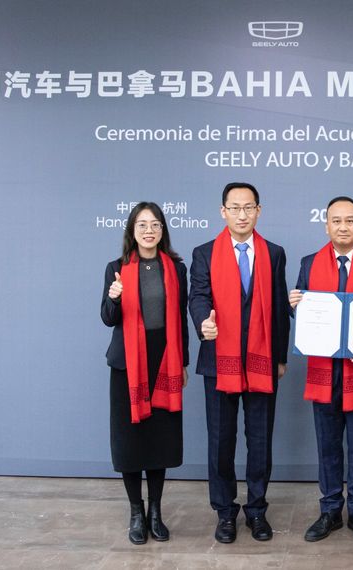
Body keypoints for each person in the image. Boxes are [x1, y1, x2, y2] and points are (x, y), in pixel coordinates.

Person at [289, 196, 353, 544]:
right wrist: (295, 308)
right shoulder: (308, 263)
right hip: (323, 368)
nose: (343, 227)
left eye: (350, 221)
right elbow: (303, 315)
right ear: (327, 225)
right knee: (328, 443)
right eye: (337, 221)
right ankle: (331, 509)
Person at [189, 182, 290, 543]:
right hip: (219, 360)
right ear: (223, 212)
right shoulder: (204, 253)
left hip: (263, 362)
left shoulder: (274, 252)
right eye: (235, 208)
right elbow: (198, 295)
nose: (242, 215)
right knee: (221, 441)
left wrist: (280, 356)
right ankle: (225, 513)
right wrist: (204, 322)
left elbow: (279, 307)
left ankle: (258, 511)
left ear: (259, 211)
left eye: (249, 208)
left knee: (260, 441)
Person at [100, 202, 189, 545]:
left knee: (158, 441)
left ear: (163, 230)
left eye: (155, 224)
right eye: (142, 224)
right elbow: (108, 318)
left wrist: (183, 363)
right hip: (127, 366)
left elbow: (180, 319)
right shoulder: (116, 268)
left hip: (163, 362)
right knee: (130, 442)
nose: (149, 230)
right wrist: (114, 296)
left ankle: (156, 512)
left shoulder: (175, 269)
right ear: (132, 230)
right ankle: (136, 512)